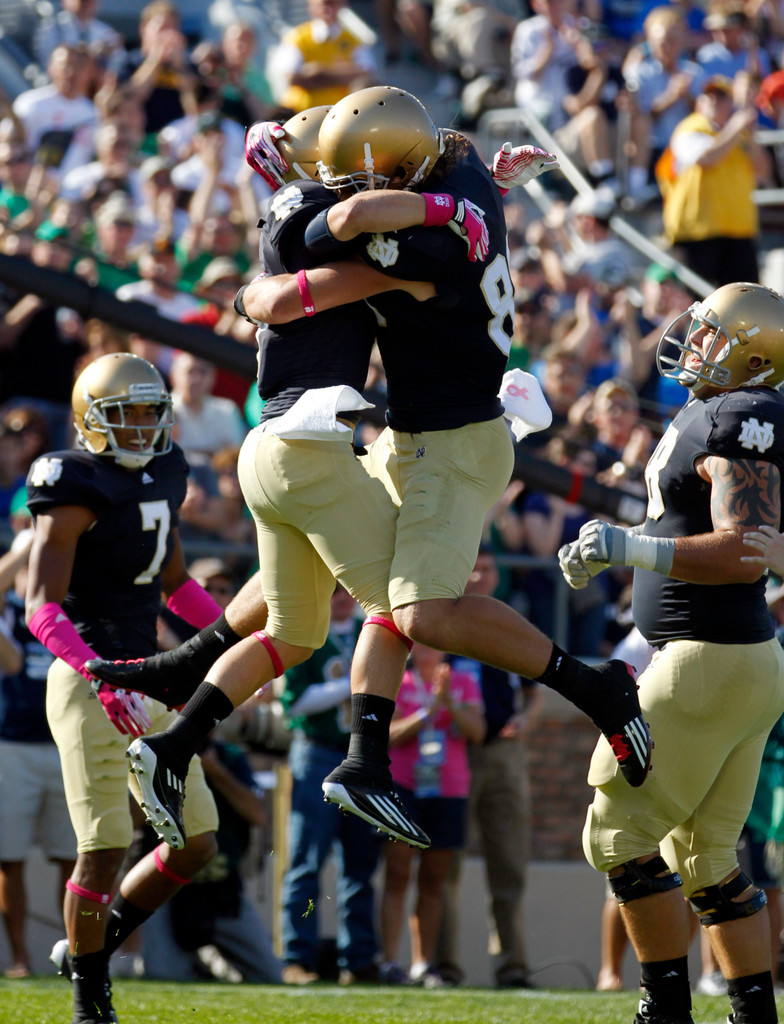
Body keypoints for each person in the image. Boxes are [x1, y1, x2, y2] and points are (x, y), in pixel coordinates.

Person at [91, 89, 649, 858]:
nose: (352, 184)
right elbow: (408, 166)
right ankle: (299, 743)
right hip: (397, 433)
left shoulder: (406, 237)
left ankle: (595, 689)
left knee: (415, 610)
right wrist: (473, 192)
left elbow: (319, 255)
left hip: (451, 442)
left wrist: (261, 283)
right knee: (339, 609)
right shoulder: (455, 173)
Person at [559, 280, 784, 1024]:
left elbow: (746, 550)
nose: (696, 338)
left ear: (752, 355)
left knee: (617, 833)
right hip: (733, 661)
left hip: (708, 658)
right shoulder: (716, 410)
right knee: (708, 857)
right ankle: (754, 1012)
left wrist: (628, 548)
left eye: (715, 333)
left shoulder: (740, 414)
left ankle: (664, 1009)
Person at [24, 352, 228, 1024]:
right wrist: (95, 672)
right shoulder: (71, 482)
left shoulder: (168, 471)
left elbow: (175, 584)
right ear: (90, 419)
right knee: (105, 845)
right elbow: (42, 607)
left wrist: (239, 639)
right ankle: (90, 998)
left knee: (196, 841)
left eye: (150, 413)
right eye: (126, 415)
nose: (142, 428)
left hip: (150, 672)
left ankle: (89, 948)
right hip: (86, 675)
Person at [435, 547, 543, 989]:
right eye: (472, 567)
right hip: (450, 748)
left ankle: (512, 967)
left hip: (503, 752)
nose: (480, 575)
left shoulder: (508, 623)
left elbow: (535, 686)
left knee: (509, 863)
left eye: (488, 568)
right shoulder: (439, 621)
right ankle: (441, 966)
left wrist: (528, 718)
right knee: (444, 865)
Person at [278, 584, 382, 986]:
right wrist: (353, 685)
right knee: (307, 860)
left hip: (359, 755)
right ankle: (297, 958)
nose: (340, 596)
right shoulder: (308, 633)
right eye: (332, 589)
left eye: (345, 589)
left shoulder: (368, 631)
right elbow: (294, 702)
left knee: (359, 863)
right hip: (317, 752)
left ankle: (358, 961)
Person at [380, 642, 485, 987]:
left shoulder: (462, 681)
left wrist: (449, 705)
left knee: (434, 880)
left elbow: (477, 732)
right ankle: (389, 960)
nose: (426, 649)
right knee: (397, 874)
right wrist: (427, 712)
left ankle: (422, 964)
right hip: (404, 784)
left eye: (432, 643)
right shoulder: (398, 680)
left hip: (448, 787)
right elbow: (388, 735)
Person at [0, 530, 75, 979]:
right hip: (15, 746)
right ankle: (21, 959)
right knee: (10, 860)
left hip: (65, 745)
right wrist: (25, 547)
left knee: (75, 857)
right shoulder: (11, 612)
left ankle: (76, 957)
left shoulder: (68, 611)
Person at [654, 74, 771, 287]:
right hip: (696, 234)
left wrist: (749, 135)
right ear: (699, 102)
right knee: (699, 304)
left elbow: (763, 172)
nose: (715, 100)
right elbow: (706, 158)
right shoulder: (689, 128)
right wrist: (736, 127)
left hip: (738, 233)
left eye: (722, 96)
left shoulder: (739, 134)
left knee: (744, 307)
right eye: (709, 96)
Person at [267, 0, 378, 115]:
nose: (327, 9)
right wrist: (344, 74)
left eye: (332, 3)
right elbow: (291, 78)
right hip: (301, 114)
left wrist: (319, 73)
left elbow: (367, 75)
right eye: (323, 4)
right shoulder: (296, 37)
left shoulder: (355, 39)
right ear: (311, 6)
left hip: (339, 115)